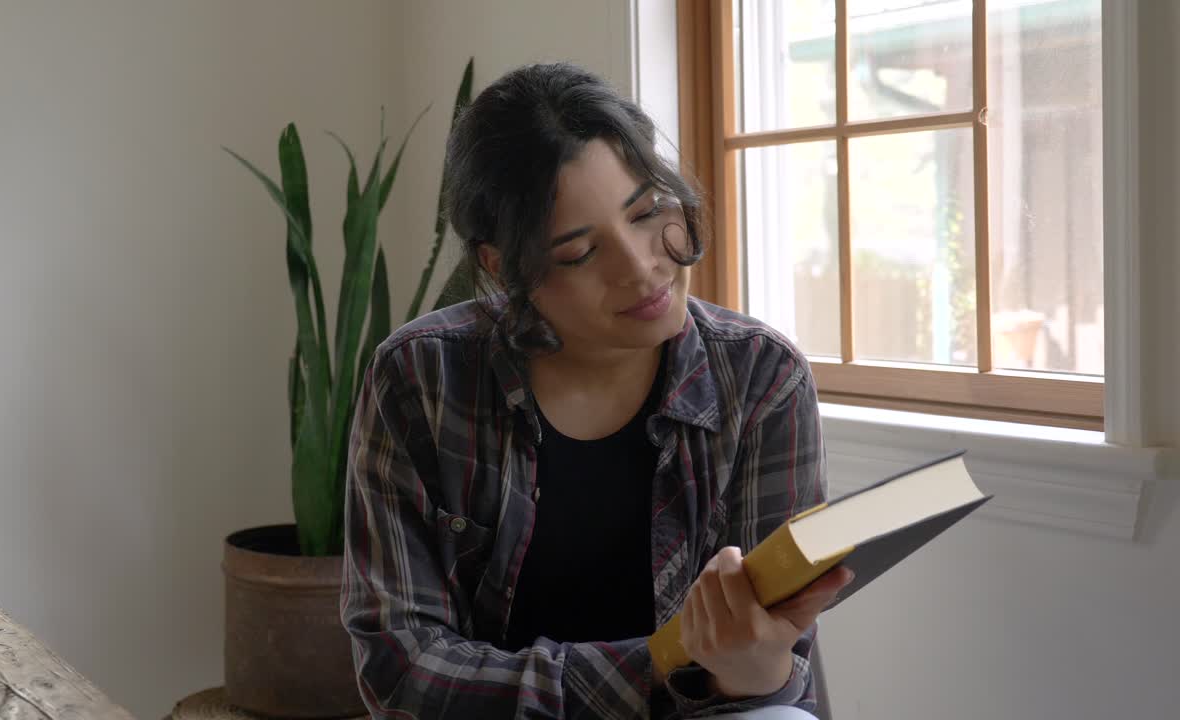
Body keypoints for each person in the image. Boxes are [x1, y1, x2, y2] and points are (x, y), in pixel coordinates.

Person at [340, 62, 852, 719]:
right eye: (580, 253)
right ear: (503, 266)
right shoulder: (421, 379)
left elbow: (776, 670)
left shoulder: (761, 377)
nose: (641, 268)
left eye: (647, 212)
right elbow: (403, 671)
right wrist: (665, 661)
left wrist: (757, 671)